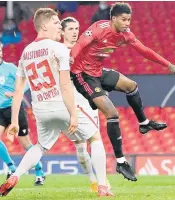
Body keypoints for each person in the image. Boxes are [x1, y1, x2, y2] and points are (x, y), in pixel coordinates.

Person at [0, 8, 112, 197]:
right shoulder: (57, 48)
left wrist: (15, 121)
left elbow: (18, 91)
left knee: (40, 147)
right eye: (56, 23)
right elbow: (65, 85)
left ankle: (15, 175)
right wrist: (73, 113)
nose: (60, 25)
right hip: (61, 104)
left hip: (40, 109)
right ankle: (102, 186)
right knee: (95, 138)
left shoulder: (26, 52)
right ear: (44, 25)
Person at [70, 2, 175, 181]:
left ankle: (144, 122)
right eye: (123, 19)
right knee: (113, 114)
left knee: (131, 86)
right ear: (113, 18)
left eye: (129, 19)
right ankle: (121, 162)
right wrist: (69, 60)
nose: (127, 23)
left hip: (99, 72)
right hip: (83, 74)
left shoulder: (126, 35)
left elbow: (144, 50)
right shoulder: (99, 28)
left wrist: (168, 64)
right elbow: (79, 45)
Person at [0, 40, 45, 185]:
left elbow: (27, 82)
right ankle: (11, 167)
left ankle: (39, 170)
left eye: (0, 50)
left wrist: (16, 92)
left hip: (14, 108)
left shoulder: (10, 68)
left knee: (25, 143)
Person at [61, 16, 110, 192]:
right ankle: (93, 179)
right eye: (70, 29)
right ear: (62, 32)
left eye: (77, 29)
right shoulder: (58, 51)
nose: (75, 32)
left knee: (94, 139)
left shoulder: (86, 48)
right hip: (69, 103)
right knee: (81, 146)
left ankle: (100, 182)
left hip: (87, 100)